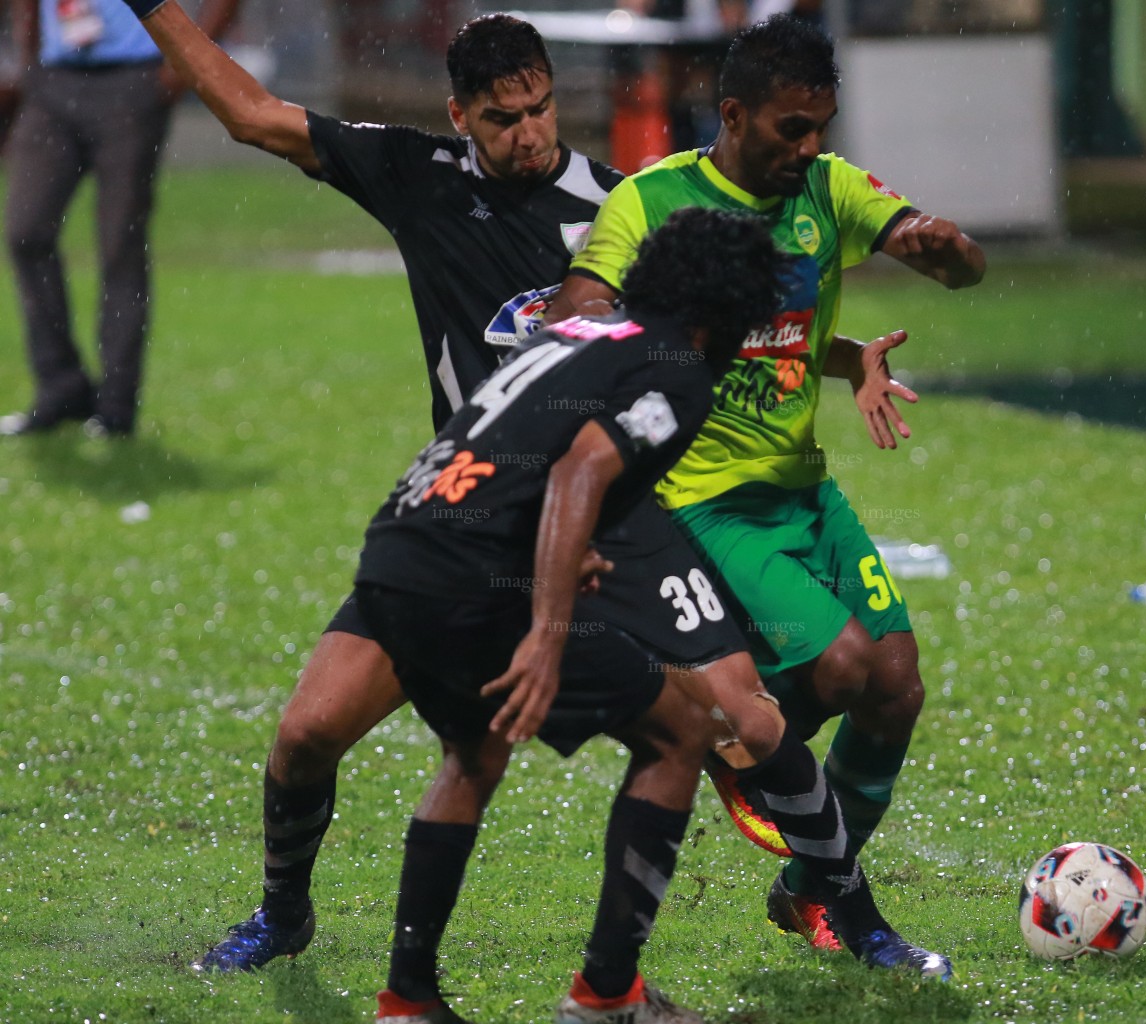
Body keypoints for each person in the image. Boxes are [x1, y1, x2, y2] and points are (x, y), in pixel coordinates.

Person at [109, 4, 954, 986]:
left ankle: (847, 914)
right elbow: (252, 113)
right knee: (312, 732)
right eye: (504, 118)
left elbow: (725, 310)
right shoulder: (416, 178)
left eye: (543, 110)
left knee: (742, 717)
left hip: (609, 514)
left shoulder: (616, 202)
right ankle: (285, 913)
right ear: (460, 114)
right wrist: (154, 10)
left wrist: (841, 357)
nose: (530, 135)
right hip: (474, 517)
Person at [356, 208, 939, 1024]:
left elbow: (513, 445)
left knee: (472, 756)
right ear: (728, 312)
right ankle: (605, 997)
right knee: (678, 735)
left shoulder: (586, 331)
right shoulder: (678, 368)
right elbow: (579, 473)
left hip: (397, 553)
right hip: (475, 578)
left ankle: (408, 999)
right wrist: (548, 640)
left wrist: (553, 559)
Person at [547, 13, 987, 954]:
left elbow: (927, 244)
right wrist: (589, 310)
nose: (812, 145)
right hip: (701, 498)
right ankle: (740, 737)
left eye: (823, 124)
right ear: (735, 113)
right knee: (842, 665)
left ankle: (809, 890)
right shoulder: (655, 200)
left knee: (897, 687)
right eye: (793, 127)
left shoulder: (827, 191)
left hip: (803, 490)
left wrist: (938, 248)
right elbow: (581, 299)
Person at [0, 0, 241, 438]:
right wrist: (30, 60)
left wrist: (179, 70)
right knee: (25, 232)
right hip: (56, 80)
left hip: (135, 79)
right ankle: (61, 386)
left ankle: (115, 407)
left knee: (120, 244)